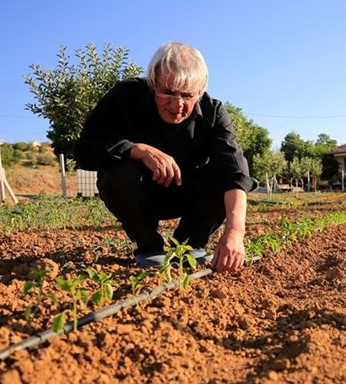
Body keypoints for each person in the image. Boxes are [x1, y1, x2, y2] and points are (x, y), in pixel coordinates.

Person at [75, 42, 255, 272]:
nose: (177, 105)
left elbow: (235, 174)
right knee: (117, 170)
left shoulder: (214, 113)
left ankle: (189, 244)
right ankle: (149, 246)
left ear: (199, 92)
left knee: (222, 173)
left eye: (187, 95)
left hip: (189, 195)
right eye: (168, 92)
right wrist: (137, 150)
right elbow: (86, 148)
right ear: (153, 82)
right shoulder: (126, 96)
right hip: (139, 193)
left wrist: (235, 232)